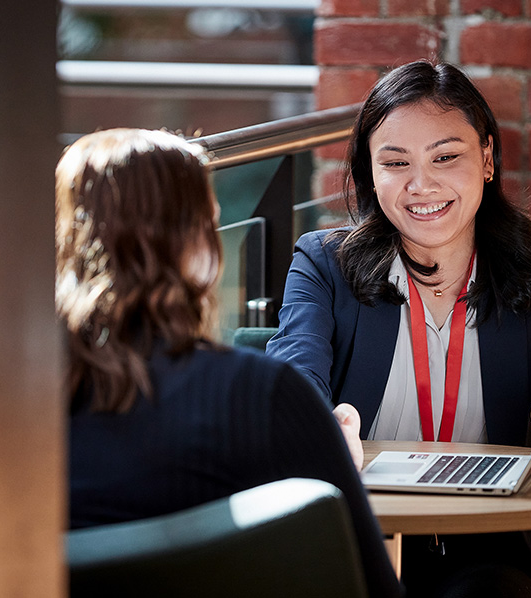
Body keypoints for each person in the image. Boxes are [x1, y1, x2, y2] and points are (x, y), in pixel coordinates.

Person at [266, 61, 531, 597]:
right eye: (395, 162)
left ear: (487, 159)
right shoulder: (323, 263)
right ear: (370, 174)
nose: (421, 185)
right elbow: (293, 379)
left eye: (446, 157)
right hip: (354, 541)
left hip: (488, 551)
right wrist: (324, 425)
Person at [59, 128, 401, 597]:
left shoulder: (11, 402)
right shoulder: (262, 396)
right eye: (211, 222)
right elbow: (370, 584)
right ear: (199, 247)